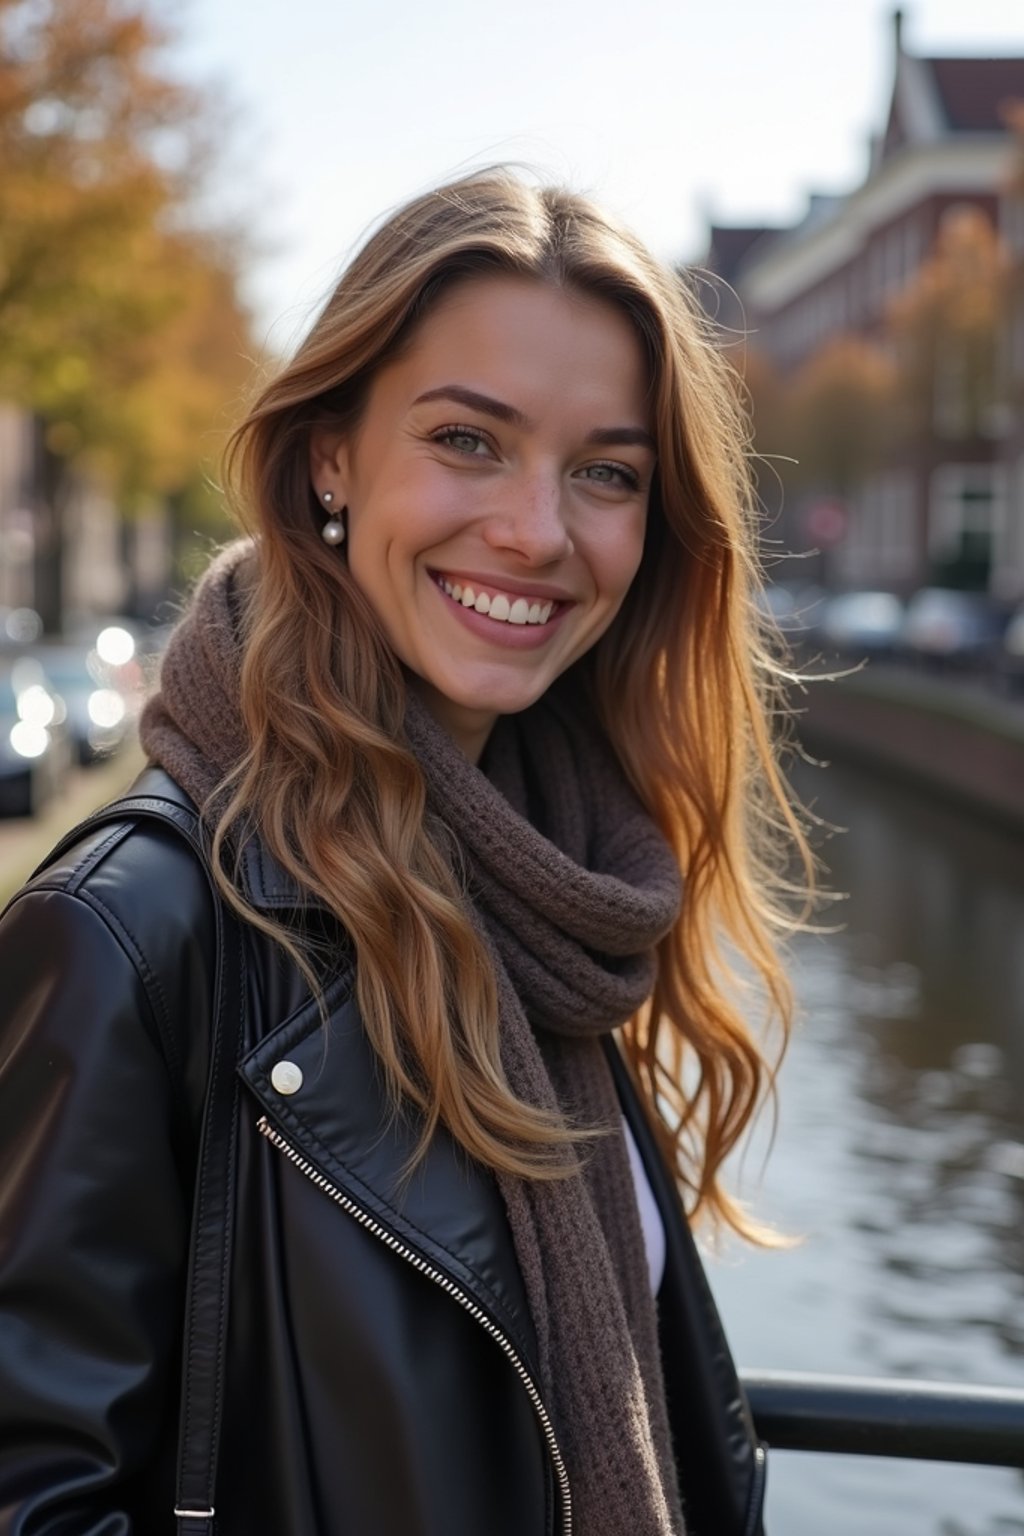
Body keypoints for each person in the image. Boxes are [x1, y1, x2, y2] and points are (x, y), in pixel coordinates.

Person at [0, 170, 809, 1536]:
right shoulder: (131, 941)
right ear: (332, 457)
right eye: (468, 441)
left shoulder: (564, 896)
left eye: (605, 472)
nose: (537, 531)